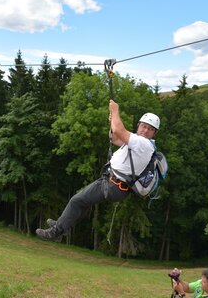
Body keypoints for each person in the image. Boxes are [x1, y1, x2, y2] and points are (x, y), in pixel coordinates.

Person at [36, 99, 160, 242]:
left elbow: (120, 130)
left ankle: (55, 232)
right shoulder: (138, 141)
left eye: (150, 129)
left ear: (154, 133)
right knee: (81, 202)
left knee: (76, 201)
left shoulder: (143, 143)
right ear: (139, 126)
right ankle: (62, 225)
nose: (145, 130)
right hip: (112, 183)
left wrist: (115, 111)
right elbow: (115, 138)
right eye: (144, 126)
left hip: (114, 184)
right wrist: (112, 122)